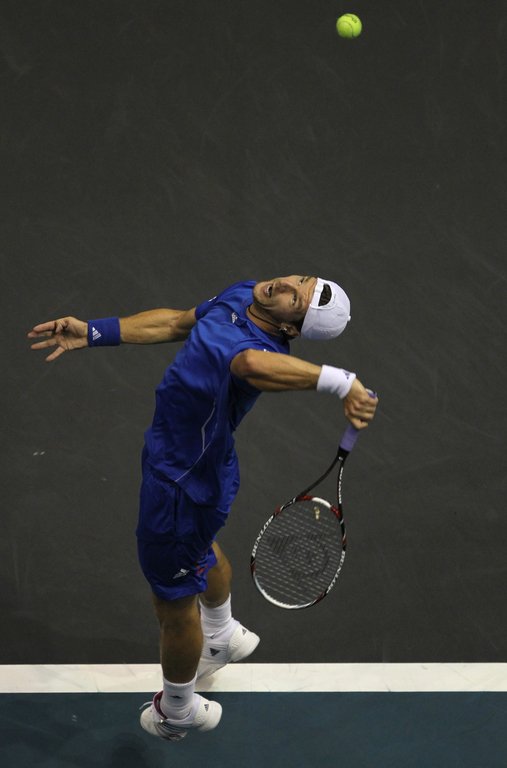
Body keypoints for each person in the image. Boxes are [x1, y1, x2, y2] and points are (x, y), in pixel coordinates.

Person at [28, 274, 378, 742]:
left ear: (290, 330)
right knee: (195, 551)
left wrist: (341, 382)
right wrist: (94, 331)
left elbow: (250, 364)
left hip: (183, 483)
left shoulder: (259, 351)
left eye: (296, 298)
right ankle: (222, 632)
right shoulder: (247, 294)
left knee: (173, 604)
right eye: (300, 279)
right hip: (188, 461)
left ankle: (179, 710)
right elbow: (177, 322)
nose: (284, 285)